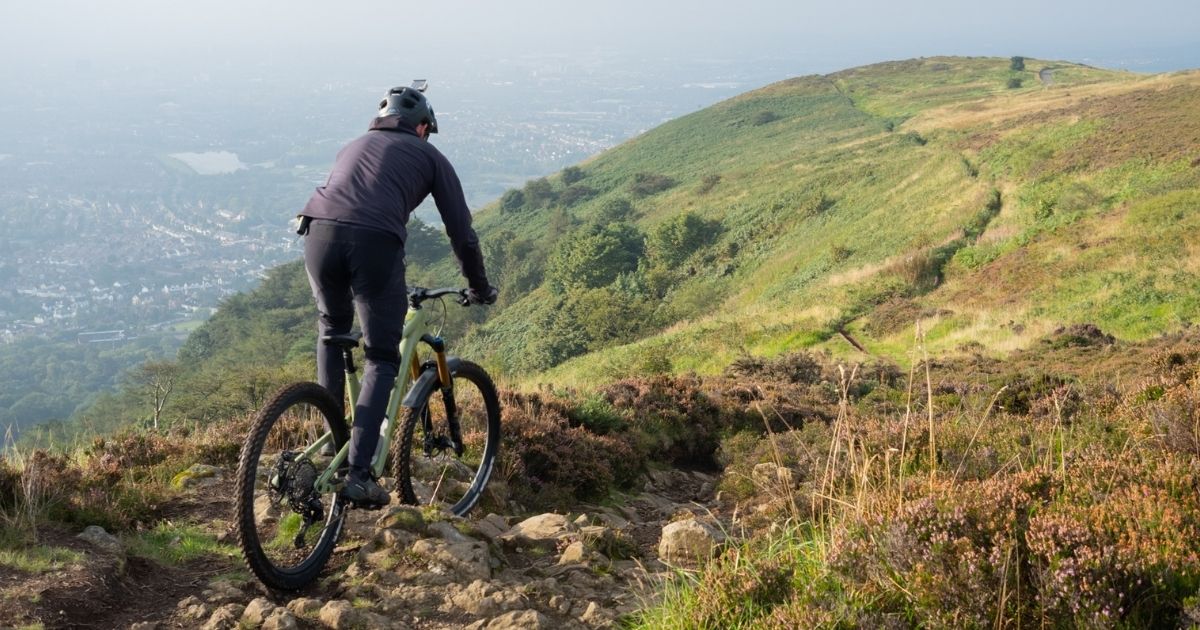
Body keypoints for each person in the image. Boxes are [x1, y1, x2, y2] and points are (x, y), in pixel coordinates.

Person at [297, 84, 496, 507]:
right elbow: (462, 233)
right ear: (422, 127)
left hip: (316, 233)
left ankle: (332, 444)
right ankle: (359, 473)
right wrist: (479, 285)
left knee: (332, 330)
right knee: (382, 357)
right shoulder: (430, 156)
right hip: (374, 242)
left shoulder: (355, 144)